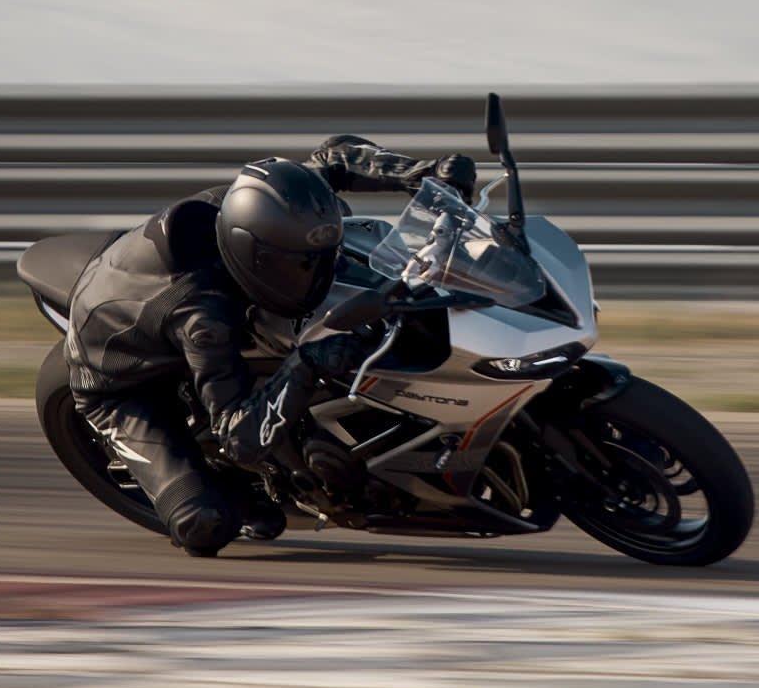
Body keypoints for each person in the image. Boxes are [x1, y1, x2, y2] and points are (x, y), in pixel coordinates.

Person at [63, 135, 467, 556]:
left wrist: (422, 173)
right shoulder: (204, 321)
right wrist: (307, 363)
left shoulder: (268, 205)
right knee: (202, 527)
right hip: (118, 384)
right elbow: (239, 438)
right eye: (294, 266)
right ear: (251, 255)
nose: (312, 275)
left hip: (150, 297)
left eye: (316, 259)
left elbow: (336, 155)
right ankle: (235, 491)